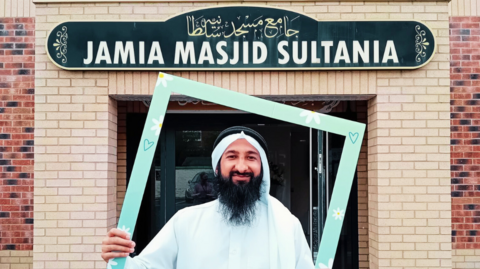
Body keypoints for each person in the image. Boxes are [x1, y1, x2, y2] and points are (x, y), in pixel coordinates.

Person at [101, 126, 315, 269]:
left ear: (262, 168)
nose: (241, 166)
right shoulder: (184, 222)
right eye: (231, 156)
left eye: (251, 157)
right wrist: (117, 257)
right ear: (216, 167)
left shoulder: (287, 225)